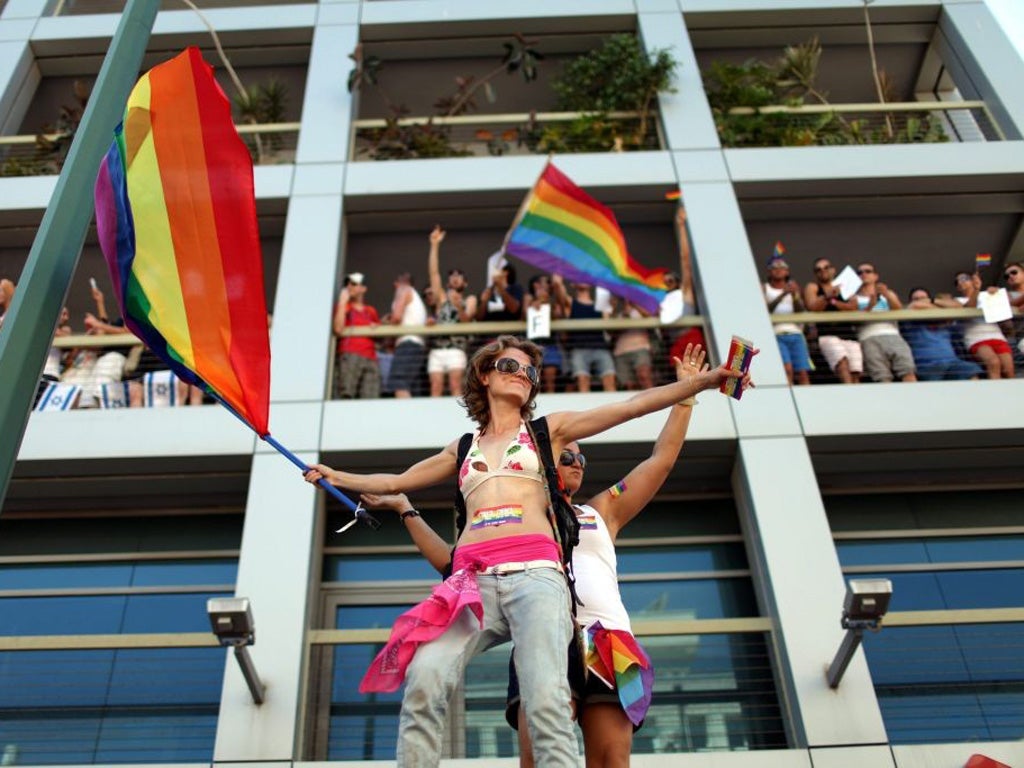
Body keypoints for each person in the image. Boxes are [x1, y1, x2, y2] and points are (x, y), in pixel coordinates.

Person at [303, 335, 753, 768]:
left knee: (549, 706)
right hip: (473, 584)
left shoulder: (557, 445)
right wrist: (337, 476)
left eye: (530, 370)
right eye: (510, 366)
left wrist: (698, 384)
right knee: (424, 677)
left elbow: (629, 408)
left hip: (544, 585)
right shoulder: (463, 448)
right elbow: (397, 482)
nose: (522, 374)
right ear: (484, 374)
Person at [425, 225, 477, 397]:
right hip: (438, 349)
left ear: (465, 283)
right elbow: (434, 273)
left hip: (456, 348)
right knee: (436, 386)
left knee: (456, 385)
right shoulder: (441, 298)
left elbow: (466, 320)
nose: (455, 277)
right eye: (452, 275)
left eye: (459, 275)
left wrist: (459, 306)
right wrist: (434, 244)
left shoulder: (469, 300)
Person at [844, 263, 917, 383]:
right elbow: (855, 320)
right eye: (860, 272)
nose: (864, 274)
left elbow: (898, 309)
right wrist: (870, 306)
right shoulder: (853, 298)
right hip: (868, 338)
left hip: (892, 334)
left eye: (868, 271)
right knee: (881, 375)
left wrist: (886, 294)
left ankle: (915, 399)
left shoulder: (888, 293)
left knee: (907, 369)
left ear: (875, 276)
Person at [901, 287, 982, 381]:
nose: (921, 301)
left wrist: (933, 301)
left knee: (970, 371)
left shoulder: (943, 319)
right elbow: (915, 306)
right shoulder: (909, 319)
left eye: (924, 298)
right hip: (927, 365)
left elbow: (959, 306)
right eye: (916, 298)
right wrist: (942, 309)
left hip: (953, 362)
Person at [802, 258, 863, 383]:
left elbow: (854, 307)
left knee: (856, 371)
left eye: (826, 267)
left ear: (833, 270)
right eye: (818, 269)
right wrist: (827, 296)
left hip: (849, 334)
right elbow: (812, 307)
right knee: (842, 364)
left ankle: (857, 397)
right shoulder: (813, 287)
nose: (822, 271)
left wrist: (833, 301)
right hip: (827, 334)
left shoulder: (844, 286)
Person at [553, 275, 617, 392]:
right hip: (579, 349)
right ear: (573, 284)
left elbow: (608, 327)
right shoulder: (571, 303)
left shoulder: (601, 305)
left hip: (600, 347)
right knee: (582, 382)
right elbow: (558, 288)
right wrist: (557, 279)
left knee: (610, 381)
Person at [952, 270, 1014, 379]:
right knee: (993, 362)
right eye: (957, 282)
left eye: (965, 278)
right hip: (976, 339)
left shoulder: (986, 296)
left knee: (1008, 370)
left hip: (997, 336)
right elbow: (970, 308)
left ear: (972, 280)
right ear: (957, 288)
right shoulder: (958, 300)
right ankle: (995, 395)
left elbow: (1006, 305)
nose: (961, 282)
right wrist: (976, 289)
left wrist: (997, 294)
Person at [763, 255, 811, 385]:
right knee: (787, 369)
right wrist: (783, 294)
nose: (778, 270)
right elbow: (764, 310)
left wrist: (795, 295)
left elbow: (800, 311)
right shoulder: (765, 288)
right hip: (776, 333)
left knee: (803, 372)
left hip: (796, 333)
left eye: (782, 267)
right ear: (769, 271)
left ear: (787, 271)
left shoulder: (793, 287)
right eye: (774, 267)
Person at [333, 272, 381, 399]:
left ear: (363, 289)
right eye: (347, 284)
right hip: (350, 355)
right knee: (346, 396)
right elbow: (338, 328)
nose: (349, 286)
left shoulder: (371, 310)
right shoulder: (344, 307)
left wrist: (377, 328)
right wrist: (343, 302)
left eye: (354, 284)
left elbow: (381, 338)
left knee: (370, 399)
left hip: (371, 358)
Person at [386, 272, 428, 398]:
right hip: (417, 346)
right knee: (413, 389)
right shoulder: (417, 299)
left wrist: (386, 325)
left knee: (399, 384)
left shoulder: (404, 289)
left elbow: (397, 317)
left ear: (399, 282)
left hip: (407, 344)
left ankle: (403, 416)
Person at [524, 273, 565, 393]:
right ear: (534, 285)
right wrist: (533, 302)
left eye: (548, 282)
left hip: (550, 344)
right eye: (543, 282)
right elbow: (524, 316)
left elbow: (558, 315)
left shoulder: (553, 300)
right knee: (534, 379)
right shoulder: (528, 298)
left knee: (550, 379)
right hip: (532, 345)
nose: (546, 284)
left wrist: (547, 300)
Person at [612, 299, 655, 390]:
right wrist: (624, 316)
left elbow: (650, 316)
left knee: (644, 376)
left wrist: (634, 304)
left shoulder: (640, 310)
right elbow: (610, 332)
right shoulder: (618, 313)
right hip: (621, 351)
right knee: (628, 384)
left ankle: (653, 401)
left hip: (640, 347)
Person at [1003, 261, 1024, 373]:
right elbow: (1011, 303)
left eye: (1014, 272)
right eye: (1007, 276)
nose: (1010, 276)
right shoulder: (1006, 294)